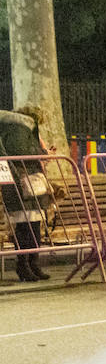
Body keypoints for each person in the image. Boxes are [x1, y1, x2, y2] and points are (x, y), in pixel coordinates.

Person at [0, 109, 55, 281]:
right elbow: (20, 152)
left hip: (26, 182)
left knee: (33, 226)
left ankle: (33, 264)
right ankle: (24, 266)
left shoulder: (19, 127)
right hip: (21, 182)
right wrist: (44, 154)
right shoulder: (18, 128)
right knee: (25, 227)